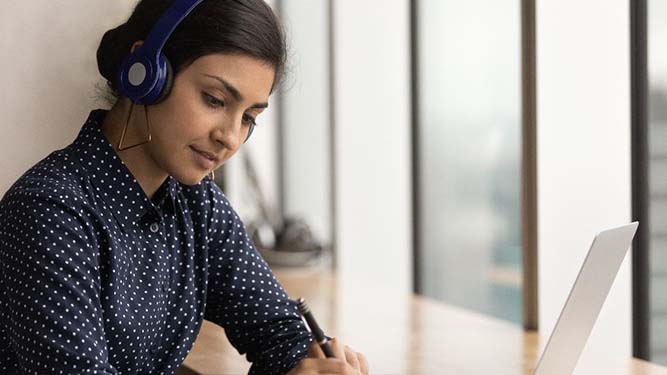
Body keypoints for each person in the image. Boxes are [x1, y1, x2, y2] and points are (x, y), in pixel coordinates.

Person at [0, 0, 368, 374]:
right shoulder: (47, 212)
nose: (230, 137)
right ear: (145, 74)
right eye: (214, 100)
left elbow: (278, 331)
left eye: (249, 118)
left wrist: (312, 364)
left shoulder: (199, 206)